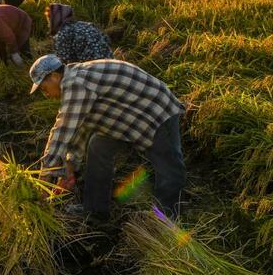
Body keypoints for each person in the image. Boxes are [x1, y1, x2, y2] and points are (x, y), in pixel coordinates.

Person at [29, 54, 186, 220]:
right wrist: (69, 167)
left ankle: (166, 219)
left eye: (44, 88)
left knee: (169, 167)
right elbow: (81, 128)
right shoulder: (74, 79)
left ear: (54, 76)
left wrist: (44, 179)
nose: (44, 93)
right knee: (98, 146)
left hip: (156, 112)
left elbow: (61, 133)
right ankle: (95, 210)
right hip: (126, 115)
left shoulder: (75, 84)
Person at [46, 3, 114, 64]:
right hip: (113, 64)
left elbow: (65, 63)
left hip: (93, 69)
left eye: (49, 19)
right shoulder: (87, 25)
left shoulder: (62, 34)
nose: (49, 23)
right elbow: (107, 40)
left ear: (55, 19)